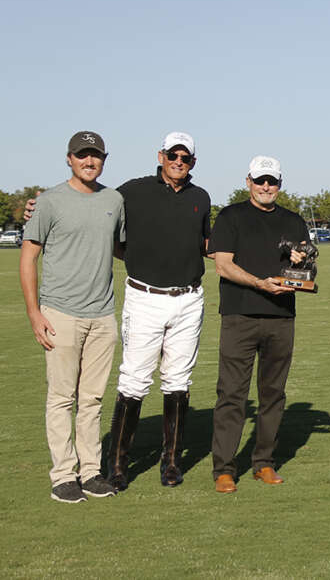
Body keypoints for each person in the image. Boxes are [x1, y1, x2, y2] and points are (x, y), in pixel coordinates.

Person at [25, 132, 213, 490]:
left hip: (188, 299)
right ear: (160, 155)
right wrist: (36, 205)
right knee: (134, 380)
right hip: (144, 297)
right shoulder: (130, 191)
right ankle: (116, 465)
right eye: (172, 154)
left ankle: (171, 463)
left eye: (185, 157)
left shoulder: (200, 197)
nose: (178, 161)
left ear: (192, 162)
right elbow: (90, 205)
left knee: (178, 381)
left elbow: (205, 243)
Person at [19, 131, 125, 503]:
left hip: (102, 315)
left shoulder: (114, 200)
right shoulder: (49, 202)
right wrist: (34, 313)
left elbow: (124, 248)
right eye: (82, 155)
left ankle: (91, 472)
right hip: (60, 313)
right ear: (69, 159)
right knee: (62, 398)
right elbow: (29, 257)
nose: (89, 161)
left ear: (104, 159)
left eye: (95, 155)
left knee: (92, 399)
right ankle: (63, 475)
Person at [208, 155, 312, 494]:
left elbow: (308, 268)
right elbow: (222, 265)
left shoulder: (294, 221)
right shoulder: (231, 216)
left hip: (281, 318)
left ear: (280, 183)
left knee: (273, 394)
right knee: (231, 395)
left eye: (272, 181)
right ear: (249, 181)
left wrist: (303, 259)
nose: (266, 186)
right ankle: (224, 468)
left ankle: (263, 462)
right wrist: (260, 283)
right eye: (260, 180)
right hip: (240, 315)